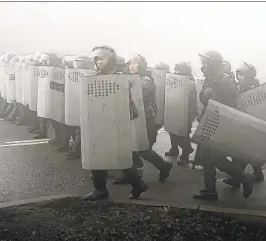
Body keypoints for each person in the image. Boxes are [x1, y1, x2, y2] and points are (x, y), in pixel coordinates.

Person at [83, 45, 148, 201]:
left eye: (102, 59)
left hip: (115, 123)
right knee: (96, 155)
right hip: (97, 122)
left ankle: (137, 183)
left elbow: (126, 105)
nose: (98, 62)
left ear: (111, 60)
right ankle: (100, 189)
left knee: (119, 156)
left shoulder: (120, 78)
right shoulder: (92, 77)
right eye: (96, 59)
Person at [191, 50, 254, 201]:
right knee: (207, 159)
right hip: (209, 120)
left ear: (213, 63)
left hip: (221, 123)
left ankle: (245, 179)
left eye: (206, 62)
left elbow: (232, 102)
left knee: (218, 160)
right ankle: (210, 190)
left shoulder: (225, 79)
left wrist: (215, 96)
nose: (203, 65)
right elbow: (202, 98)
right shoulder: (209, 78)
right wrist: (206, 95)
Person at [112, 54, 173, 185]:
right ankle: (130, 175)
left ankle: (163, 166)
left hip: (145, 119)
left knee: (143, 149)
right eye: (131, 63)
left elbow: (140, 95)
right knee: (128, 147)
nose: (132, 66)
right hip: (131, 117)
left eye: (136, 63)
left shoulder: (146, 80)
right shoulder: (127, 78)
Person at [223, 62, 264, 188]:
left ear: (250, 76)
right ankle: (257, 173)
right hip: (241, 123)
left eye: (243, 75)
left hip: (250, 124)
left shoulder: (254, 90)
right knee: (246, 152)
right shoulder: (239, 87)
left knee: (241, 153)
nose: (239, 77)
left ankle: (237, 178)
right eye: (238, 75)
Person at [164, 62, 198, 165]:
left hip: (187, 111)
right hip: (177, 108)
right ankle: (174, 149)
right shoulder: (179, 79)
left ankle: (186, 153)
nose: (176, 71)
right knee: (172, 129)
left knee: (183, 132)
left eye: (178, 69)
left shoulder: (189, 81)